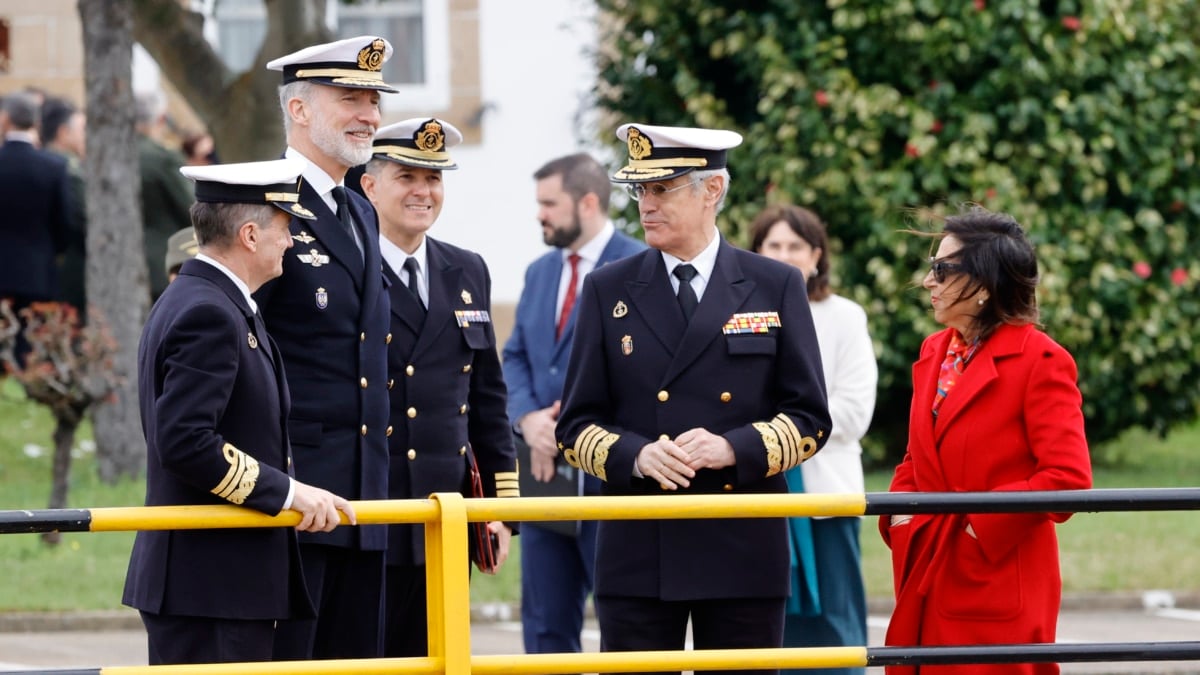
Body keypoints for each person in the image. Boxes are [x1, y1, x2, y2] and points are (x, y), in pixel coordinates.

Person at [554, 123, 832, 675]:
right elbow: (576, 425)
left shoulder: (773, 284)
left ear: (713, 190)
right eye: (641, 190)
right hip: (639, 544)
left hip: (741, 542)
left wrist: (732, 448)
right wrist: (634, 455)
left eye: (663, 189)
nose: (646, 205)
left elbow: (809, 417)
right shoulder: (609, 287)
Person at [122, 157, 356, 665]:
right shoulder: (209, 311)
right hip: (210, 583)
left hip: (218, 582)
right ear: (250, 235)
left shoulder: (207, 300)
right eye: (285, 228)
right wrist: (288, 492)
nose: (291, 242)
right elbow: (184, 441)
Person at [880, 207, 1093, 675]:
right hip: (925, 565)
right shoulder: (934, 350)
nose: (927, 281)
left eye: (941, 268)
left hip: (995, 578)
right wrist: (899, 515)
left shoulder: (1042, 360)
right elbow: (918, 453)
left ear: (983, 282)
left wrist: (978, 526)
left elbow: (1067, 478)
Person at [257, 35, 396, 661]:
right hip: (297, 496)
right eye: (350, 98)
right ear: (299, 110)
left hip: (362, 494)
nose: (369, 114)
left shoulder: (359, 210)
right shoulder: (263, 203)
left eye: (373, 99)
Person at [359, 117, 520, 657]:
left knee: (443, 658)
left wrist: (498, 508)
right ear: (370, 185)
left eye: (434, 180)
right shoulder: (348, 271)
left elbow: (487, 400)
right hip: (372, 511)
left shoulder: (465, 268)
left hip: (446, 511)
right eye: (407, 177)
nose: (423, 192)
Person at [502, 152, 645, 656]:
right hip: (544, 481)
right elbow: (515, 354)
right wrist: (526, 417)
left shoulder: (639, 266)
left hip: (611, 483)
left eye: (549, 203)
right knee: (544, 627)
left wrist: (565, 422)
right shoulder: (540, 272)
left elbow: (643, 369)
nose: (539, 214)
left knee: (624, 624)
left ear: (587, 202)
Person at [749, 205, 876, 675]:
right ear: (756, 253)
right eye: (773, 246)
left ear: (816, 255)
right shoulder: (742, 314)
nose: (784, 257)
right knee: (763, 628)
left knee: (835, 624)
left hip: (825, 493)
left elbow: (854, 411)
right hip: (757, 493)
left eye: (795, 247)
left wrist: (782, 430)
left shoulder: (844, 317)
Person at [0, 91, 71, 363]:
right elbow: (64, 222)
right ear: (36, 123)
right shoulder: (54, 166)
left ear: (5, 120)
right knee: (30, 349)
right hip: (38, 271)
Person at [136, 90, 194, 302]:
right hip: (160, 260)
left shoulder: (104, 155)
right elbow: (191, 209)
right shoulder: (162, 158)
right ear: (160, 119)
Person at [41, 96, 89, 312]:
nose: (86, 136)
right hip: (71, 270)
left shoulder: (44, 162)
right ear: (63, 133)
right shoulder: (68, 169)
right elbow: (84, 217)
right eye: (82, 129)